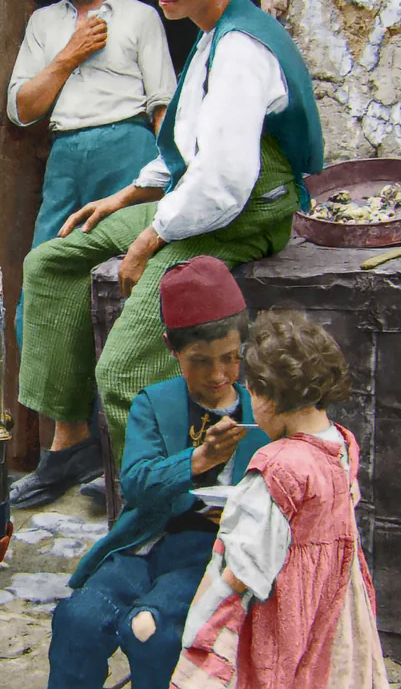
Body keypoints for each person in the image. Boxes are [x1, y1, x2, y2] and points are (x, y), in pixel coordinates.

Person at [18, 0, 325, 479]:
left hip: (246, 215)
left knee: (124, 370)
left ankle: (162, 501)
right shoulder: (209, 37)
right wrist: (126, 198)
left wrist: (150, 235)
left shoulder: (240, 48)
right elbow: (187, 148)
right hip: (200, 203)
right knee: (51, 264)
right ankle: (72, 440)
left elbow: (224, 180)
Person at [7, 0, 176, 508]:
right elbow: (23, 108)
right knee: (43, 294)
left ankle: (123, 454)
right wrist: (72, 52)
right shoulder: (45, 25)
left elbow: (164, 107)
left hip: (128, 153)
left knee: (123, 292)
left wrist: (167, 180)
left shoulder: (139, 19)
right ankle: (68, 443)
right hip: (66, 160)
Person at [47, 256, 268, 689]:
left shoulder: (260, 413)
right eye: (200, 361)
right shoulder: (155, 403)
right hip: (145, 542)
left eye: (230, 358)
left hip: (208, 553)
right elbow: (137, 483)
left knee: (149, 629)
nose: (218, 374)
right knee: (79, 618)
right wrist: (196, 460)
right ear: (172, 349)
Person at [170, 311, 390, 689]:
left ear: (269, 396)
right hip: (330, 602)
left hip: (286, 611)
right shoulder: (342, 443)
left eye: (252, 391)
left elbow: (242, 569)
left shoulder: (277, 466)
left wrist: (201, 638)